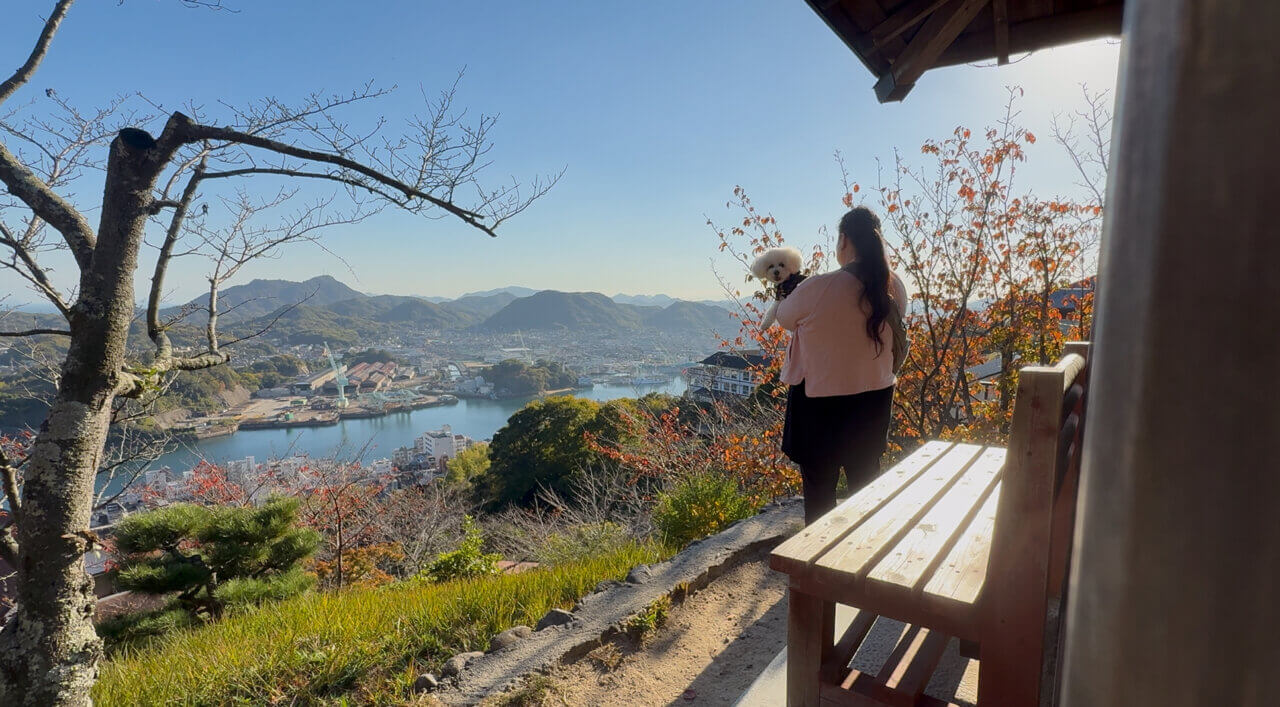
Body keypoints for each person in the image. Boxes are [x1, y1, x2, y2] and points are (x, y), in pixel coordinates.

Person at [776, 206, 908, 525]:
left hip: (820, 407)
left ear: (844, 240)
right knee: (865, 488)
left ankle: (817, 565)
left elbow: (783, 317)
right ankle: (861, 559)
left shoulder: (819, 286)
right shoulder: (895, 286)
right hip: (874, 403)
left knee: (820, 495)